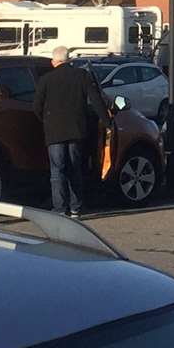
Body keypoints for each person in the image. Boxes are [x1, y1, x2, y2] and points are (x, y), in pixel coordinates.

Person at [32, 47, 112, 219]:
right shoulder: (81, 76)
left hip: (54, 131)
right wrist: (107, 122)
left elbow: (36, 106)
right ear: (69, 60)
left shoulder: (46, 79)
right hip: (76, 129)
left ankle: (60, 208)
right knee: (75, 168)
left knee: (57, 170)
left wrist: (46, 120)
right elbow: (96, 100)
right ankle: (76, 207)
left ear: (55, 61)